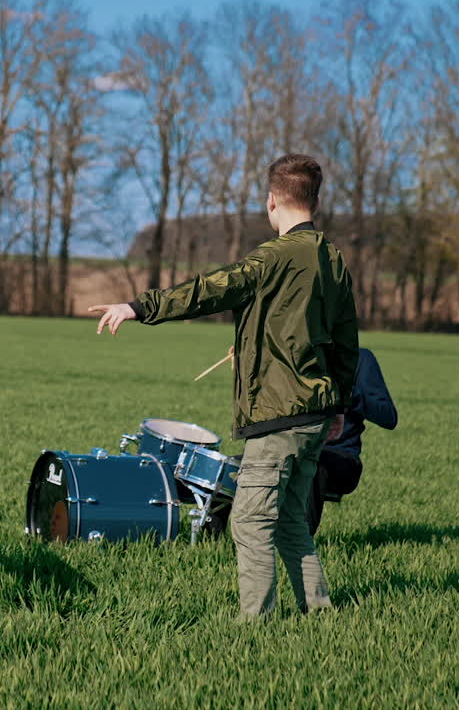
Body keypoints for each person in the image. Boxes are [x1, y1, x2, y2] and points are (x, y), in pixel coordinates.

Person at [89, 154, 358, 619]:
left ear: (272, 201)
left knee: (250, 520)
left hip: (279, 417)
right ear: (315, 199)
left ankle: (256, 626)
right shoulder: (331, 259)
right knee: (292, 519)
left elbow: (208, 289)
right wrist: (340, 405)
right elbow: (341, 339)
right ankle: (320, 611)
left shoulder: (271, 257)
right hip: (316, 413)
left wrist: (139, 307)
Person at [306, 347, 397, 534]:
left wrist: (349, 395)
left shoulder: (360, 358)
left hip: (341, 456)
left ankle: (300, 548)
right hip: (288, 450)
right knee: (231, 468)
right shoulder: (292, 355)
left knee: (309, 464)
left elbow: (388, 417)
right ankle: (229, 546)